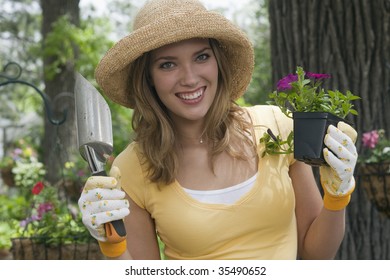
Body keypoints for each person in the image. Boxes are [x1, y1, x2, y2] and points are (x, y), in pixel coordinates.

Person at [78, 0, 358, 260]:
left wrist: (336, 196)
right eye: (168, 64)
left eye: (201, 57)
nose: (189, 78)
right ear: (148, 78)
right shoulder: (131, 169)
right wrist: (113, 245)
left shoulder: (277, 127)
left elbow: (314, 257)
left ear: (218, 63)